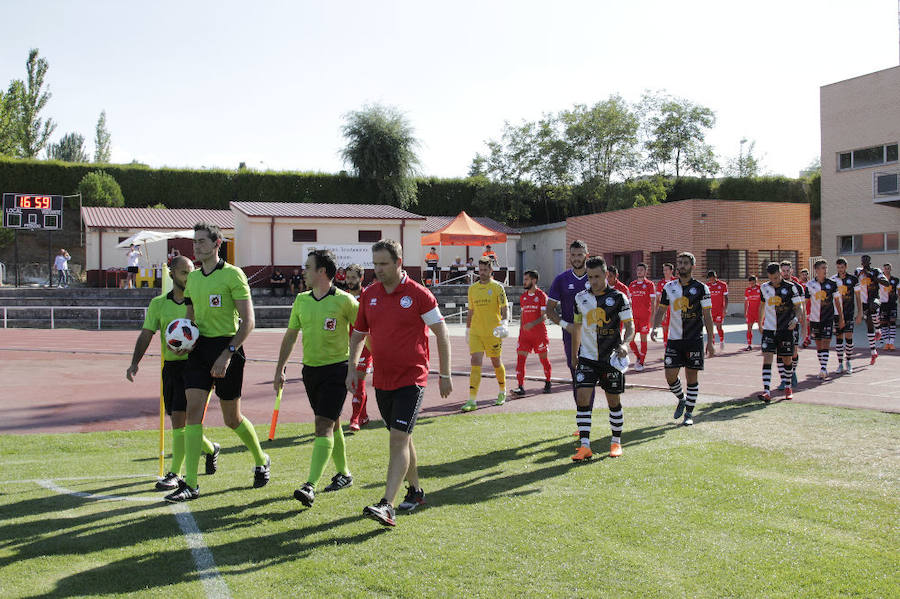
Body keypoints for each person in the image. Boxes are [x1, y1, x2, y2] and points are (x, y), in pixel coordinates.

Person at [347, 239, 452, 527]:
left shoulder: (419, 295)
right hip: (382, 379)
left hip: (412, 378)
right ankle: (416, 491)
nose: (377, 269)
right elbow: (358, 334)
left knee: (397, 438)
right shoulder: (369, 295)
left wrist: (445, 374)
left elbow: (441, 333)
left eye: (383, 264)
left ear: (398, 262)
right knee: (402, 436)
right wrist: (352, 368)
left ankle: (387, 505)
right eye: (375, 264)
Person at [163, 222, 270, 502]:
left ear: (217, 243)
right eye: (194, 241)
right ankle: (192, 484)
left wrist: (227, 354)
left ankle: (261, 459)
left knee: (231, 418)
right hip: (199, 350)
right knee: (192, 413)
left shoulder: (233, 275)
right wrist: (180, 342)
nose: (196, 246)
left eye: (201, 241)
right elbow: (190, 320)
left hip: (228, 348)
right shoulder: (194, 279)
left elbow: (248, 322)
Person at [126, 255, 220, 491]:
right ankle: (210, 449)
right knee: (179, 421)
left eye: (192, 272)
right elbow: (147, 333)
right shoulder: (158, 304)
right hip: (171, 368)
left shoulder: (198, 301)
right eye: (184, 273)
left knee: (184, 420)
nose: (189, 277)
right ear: (172, 275)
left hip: (196, 366)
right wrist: (134, 363)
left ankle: (175, 473)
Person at [274, 249, 358, 508]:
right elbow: (290, 336)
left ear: (322, 271)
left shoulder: (346, 301)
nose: (304, 271)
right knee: (331, 423)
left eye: (308, 267)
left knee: (322, 425)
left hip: (337, 370)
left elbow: (365, 333)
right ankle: (344, 474)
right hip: (310, 371)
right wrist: (279, 369)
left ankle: (309, 485)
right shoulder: (301, 300)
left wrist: (358, 367)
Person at [565, 257, 633, 461]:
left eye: (597, 276)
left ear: (606, 275)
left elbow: (630, 326)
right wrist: (573, 355)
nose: (593, 281)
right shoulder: (580, 298)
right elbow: (577, 327)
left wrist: (625, 344)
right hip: (586, 358)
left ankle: (616, 442)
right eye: (590, 277)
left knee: (613, 400)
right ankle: (585, 446)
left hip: (611, 358)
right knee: (583, 398)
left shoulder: (619, 297)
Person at [650, 252, 715, 426]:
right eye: (680, 263)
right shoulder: (669, 287)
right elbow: (662, 310)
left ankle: (689, 414)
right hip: (674, 339)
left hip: (694, 339)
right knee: (670, 376)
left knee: (691, 377)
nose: (682, 266)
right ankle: (682, 398)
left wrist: (711, 340)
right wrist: (655, 327)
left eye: (685, 263)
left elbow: (707, 316)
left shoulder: (702, 288)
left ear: (693, 266)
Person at [547, 240, 593, 417]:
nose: (576, 258)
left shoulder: (594, 277)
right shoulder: (561, 280)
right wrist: (568, 326)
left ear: (586, 255)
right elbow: (550, 310)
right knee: (577, 375)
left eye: (580, 254)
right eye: (573, 255)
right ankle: (584, 416)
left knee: (590, 375)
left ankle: (586, 416)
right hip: (571, 337)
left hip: (593, 335)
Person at [461, 257, 509, 411]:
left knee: (496, 361)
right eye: (480, 270)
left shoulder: (497, 287)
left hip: (493, 332)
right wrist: (468, 330)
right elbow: (470, 311)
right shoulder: (472, 289)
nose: (482, 273)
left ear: (491, 270)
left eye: (485, 270)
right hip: (476, 332)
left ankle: (502, 391)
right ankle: (472, 400)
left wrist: (505, 323)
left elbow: (504, 308)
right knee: (475, 362)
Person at [756, 262, 803, 402]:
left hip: (785, 329)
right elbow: (762, 306)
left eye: (776, 277)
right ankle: (766, 391)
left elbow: (799, 307)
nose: (774, 280)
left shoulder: (791, 287)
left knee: (786, 359)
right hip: (769, 330)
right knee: (767, 357)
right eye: (771, 278)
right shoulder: (764, 287)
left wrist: (795, 319)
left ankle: (788, 386)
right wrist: (759, 323)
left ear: (780, 274)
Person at [512, 270, 552, 396]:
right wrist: (521, 331)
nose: (524, 282)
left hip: (539, 335)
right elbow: (523, 315)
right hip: (525, 336)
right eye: (524, 279)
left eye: (526, 279)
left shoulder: (541, 296)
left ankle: (548, 382)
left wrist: (532, 324)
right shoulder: (523, 297)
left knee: (543, 359)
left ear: (534, 280)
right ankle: (520, 387)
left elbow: (544, 316)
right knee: (520, 359)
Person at [344, 263, 372, 431]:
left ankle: (354, 419)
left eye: (353, 277)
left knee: (358, 382)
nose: (350, 281)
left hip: (365, 345)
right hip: (346, 346)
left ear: (361, 278)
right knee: (354, 384)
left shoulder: (368, 296)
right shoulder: (343, 298)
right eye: (347, 277)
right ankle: (364, 415)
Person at [806, 259, 843, 380]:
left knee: (826, 341)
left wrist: (841, 318)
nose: (825, 270)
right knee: (818, 343)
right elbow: (806, 302)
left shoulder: (832, 284)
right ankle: (823, 366)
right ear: (816, 270)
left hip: (828, 318)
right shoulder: (810, 285)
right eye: (823, 268)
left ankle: (823, 368)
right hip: (814, 319)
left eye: (826, 268)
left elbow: (837, 301)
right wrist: (804, 317)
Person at [855, 254, 891, 364]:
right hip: (864, 302)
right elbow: (853, 278)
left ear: (870, 262)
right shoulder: (858, 271)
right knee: (869, 326)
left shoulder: (876, 271)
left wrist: (874, 277)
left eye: (867, 261)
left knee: (873, 306)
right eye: (863, 261)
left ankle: (879, 330)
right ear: (861, 262)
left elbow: (886, 283)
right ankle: (873, 352)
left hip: (875, 299)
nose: (865, 263)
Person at [777, 261, 807, 390]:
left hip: (792, 323)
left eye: (787, 270)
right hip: (778, 325)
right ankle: (784, 379)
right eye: (783, 271)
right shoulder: (774, 287)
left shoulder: (797, 287)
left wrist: (804, 326)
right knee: (780, 352)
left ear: (792, 271)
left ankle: (792, 372)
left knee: (793, 352)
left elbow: (802, 307)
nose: (785, 273)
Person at [831, 258, 862, 374]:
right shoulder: (833, 280)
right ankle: (839, 363)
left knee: (849, 337)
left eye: (842, 267)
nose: (840, 270)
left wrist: (860, 313)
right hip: (836, 314)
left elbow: (858, 297)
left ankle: (848, 361)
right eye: (838, 267)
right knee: (839, 338)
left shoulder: (853, 279)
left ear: (846, 267)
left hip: (849, 313)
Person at [627, 263, 656, 370]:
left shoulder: (650, 284)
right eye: (638, 269)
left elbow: (653, 302)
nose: (639, 271)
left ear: (645, 272)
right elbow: (629, 302)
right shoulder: (632, 284)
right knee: (630, 340)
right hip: (634, 317)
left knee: (643, 339)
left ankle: (641, 362)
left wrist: (652, 317)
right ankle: (639, 357)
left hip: (645, 317)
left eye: (641, 270)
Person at [653, 263, 676, 345]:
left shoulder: (676, 281)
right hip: (665, 308)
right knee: (665, 328)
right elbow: (658, 298)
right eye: (664, 270)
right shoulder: (660, 283)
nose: (665, 272)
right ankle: (666, 347)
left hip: (675, 308)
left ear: (671, 271)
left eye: (667, 270)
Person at [706, 271, 729, 350]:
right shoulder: (707, 286)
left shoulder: (723, 285)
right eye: (709, 279)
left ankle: (722, 340)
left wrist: (725, 309)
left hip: (719, 310)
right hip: (710, 310)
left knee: (719, 327)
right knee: (710, 327)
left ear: (715, 277)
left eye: (712, 279)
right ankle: (712, 343)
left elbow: (726, 298)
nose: (711, 281)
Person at [879, 263, 897, 350]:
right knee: (884, 323)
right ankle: (886, 343)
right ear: (883, 269)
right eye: (885, 268)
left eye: (888, 268)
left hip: (892, 304)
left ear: (890, 269)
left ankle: (892, 343)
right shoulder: (880, 280)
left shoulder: (895, 280)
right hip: (883, 304)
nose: (886, 270)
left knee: (892, 323)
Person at [743, 275, 762, 350]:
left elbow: (764, 301)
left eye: (753, 283)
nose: (751, 284)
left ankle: (765, 342)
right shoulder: (747, 290)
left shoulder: (760, 289)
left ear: (756, 281)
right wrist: (745, 312)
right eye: (750, 283)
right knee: (749, 328)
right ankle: (749, 344)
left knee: (761, 328)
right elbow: (746, 302)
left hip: (759, 312)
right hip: (750, 312)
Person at [799, 268, 812, 347]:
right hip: (802, 307)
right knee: (804, 323)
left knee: (808, 324)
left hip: (810, 307)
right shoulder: (799, 285)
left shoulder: (811, 284)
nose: (804, 276)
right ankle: (805, 339)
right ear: (800, 276)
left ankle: (807, 337)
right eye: (803, 275)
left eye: (805, 274)